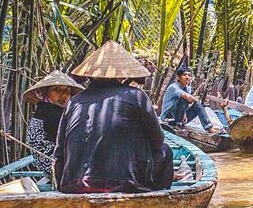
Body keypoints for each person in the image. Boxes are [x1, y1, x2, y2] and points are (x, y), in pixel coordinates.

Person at [54, 41, 174, 193]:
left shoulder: (74, 101)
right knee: (165, 151)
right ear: (123, 76)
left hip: (73, 186)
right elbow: (157, 142)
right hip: (122, 184)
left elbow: (59, 154)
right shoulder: (136, 96)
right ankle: (160, 203)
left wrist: (61, 189)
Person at [23, 70, 84, 181]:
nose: (63, 95)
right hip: (54, 166)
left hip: (52, 166)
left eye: (67, 91)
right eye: (57, 90)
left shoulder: (47, 109)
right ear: (45, 93)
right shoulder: (50, 112)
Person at [160, 67, 217, 133]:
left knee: (197, 105)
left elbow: (185, 105)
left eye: (189, 75)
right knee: (186, 98)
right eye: (184, 75)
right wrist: (197, 101)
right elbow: (187, 98)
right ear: (178, 77)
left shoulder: (188, 88)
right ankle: (178, 124)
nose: (187, 77)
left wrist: (184, 114)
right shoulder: (173, 87)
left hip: (179, 119)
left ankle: (209, 128)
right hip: (168, 118)